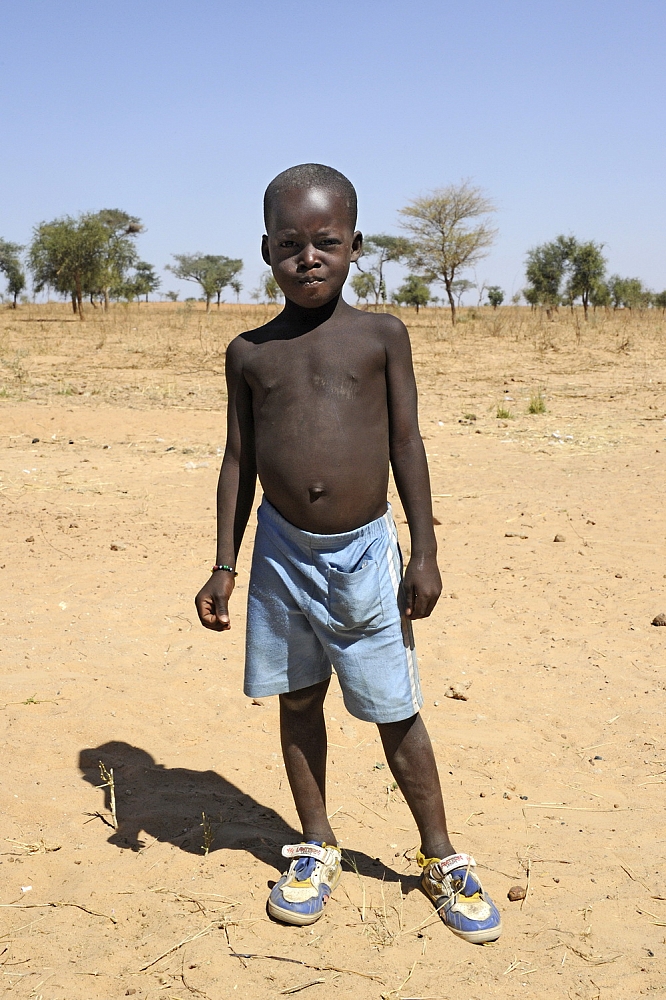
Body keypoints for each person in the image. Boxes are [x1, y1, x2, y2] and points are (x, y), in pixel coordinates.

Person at [195, 164, 501, 944]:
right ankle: (316, 844)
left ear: (356, 245)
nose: (309, 258)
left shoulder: (381, 337)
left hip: (366, 554)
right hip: (279, 554)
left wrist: (424, 552)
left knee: (393, 710)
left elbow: (406, 441)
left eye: (325, 242)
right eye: (290, 244)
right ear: (266, 250)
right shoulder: (250, 352)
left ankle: (439, 856)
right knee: (298, 701)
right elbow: (239, 460)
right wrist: (224, 564)